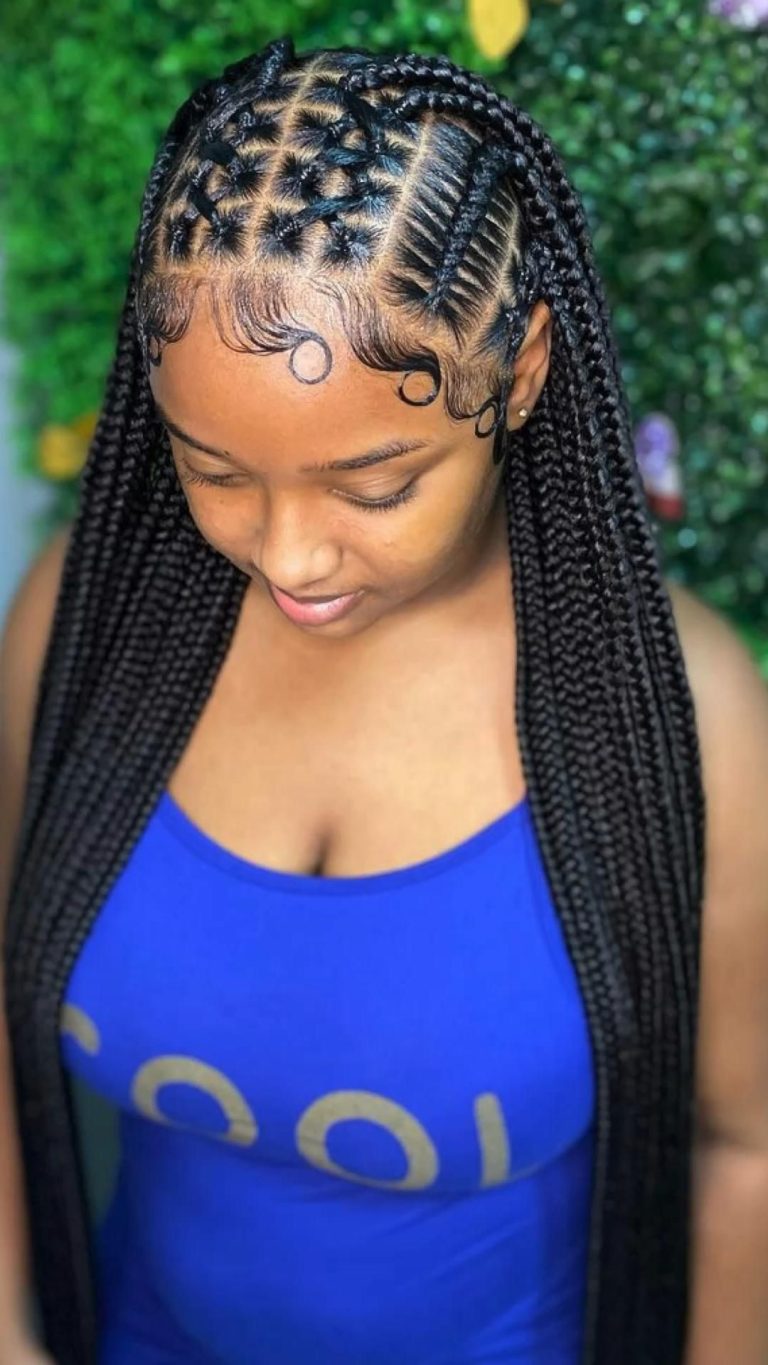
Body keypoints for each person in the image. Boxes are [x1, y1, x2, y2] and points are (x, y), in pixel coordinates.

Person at [2, 34, 768, 1365]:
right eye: (214, 470)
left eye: (373, 485)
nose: (288, 556)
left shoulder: (675, 711)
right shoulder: (91, 613)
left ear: (520, 373)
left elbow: (746, 1149)